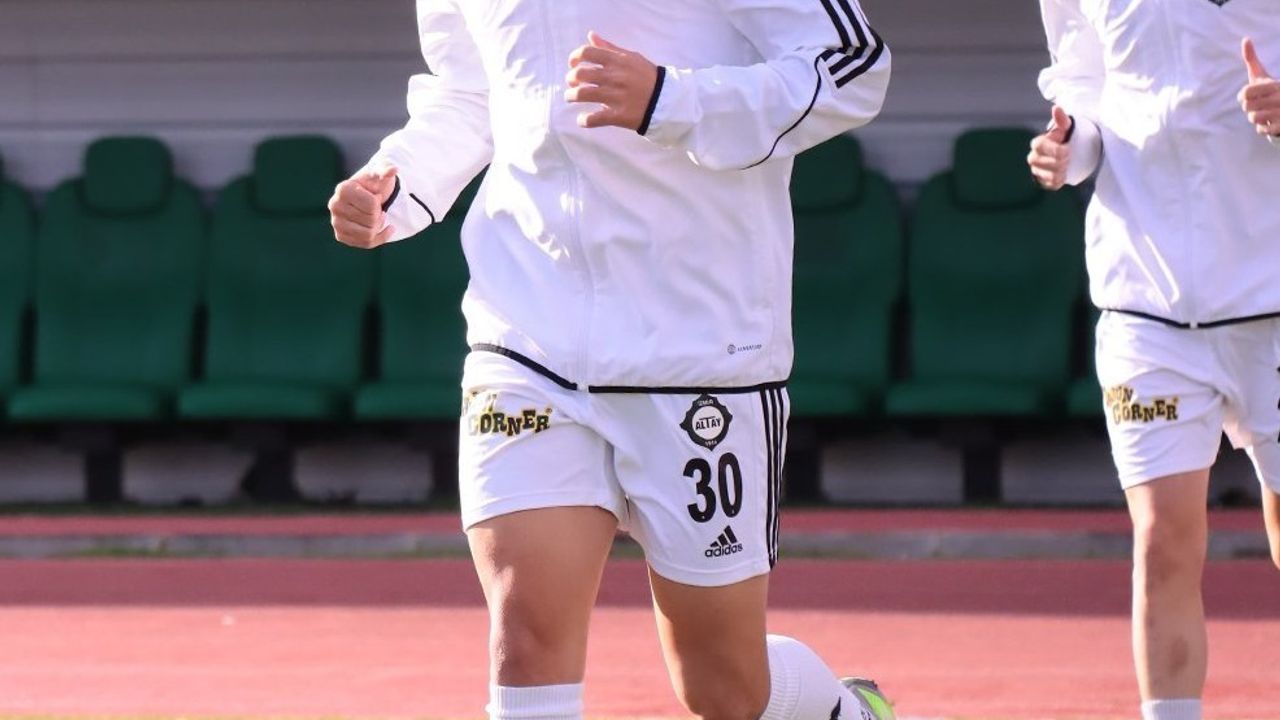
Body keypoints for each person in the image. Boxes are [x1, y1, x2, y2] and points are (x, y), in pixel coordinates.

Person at [328, 1, 894, 719]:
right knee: (525, 640)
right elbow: (471, 92)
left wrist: (672, 99)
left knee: (724, 688)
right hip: (525, 337)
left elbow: (852, 67)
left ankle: (848, 711)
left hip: (698, 351)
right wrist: (398, 180)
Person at [1028, 2, 1280, 719]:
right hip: (1145, 307)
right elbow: (1084, 90)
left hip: (1271, 298)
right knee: (1163, 542)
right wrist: (1067, 150)